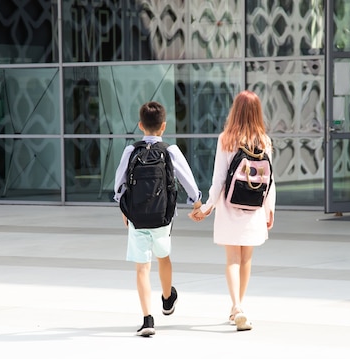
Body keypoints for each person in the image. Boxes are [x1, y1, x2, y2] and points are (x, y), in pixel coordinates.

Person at [189, 91, 275, 331]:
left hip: (229, 207)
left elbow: (218, 180)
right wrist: (270, 210)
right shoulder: (264, 140)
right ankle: (240, 307)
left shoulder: (226, 139)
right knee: (246, 259)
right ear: (257, 112)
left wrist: (206, 208)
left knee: (232, 260)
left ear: (235, 110)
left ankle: (235, 306)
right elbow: (270, 180)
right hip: (254, 209)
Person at [114, 101, 202, 337]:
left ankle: (147, 319)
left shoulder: (131, 151)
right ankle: (166, 298)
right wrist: (196, 200)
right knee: (163, 257)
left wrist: (123, 208)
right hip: (163, 216)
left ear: (140, 125)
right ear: (163, 126)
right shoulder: (170, 151)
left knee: (142, 267)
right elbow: (186, 178)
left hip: (136, 217)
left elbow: (119, 184)